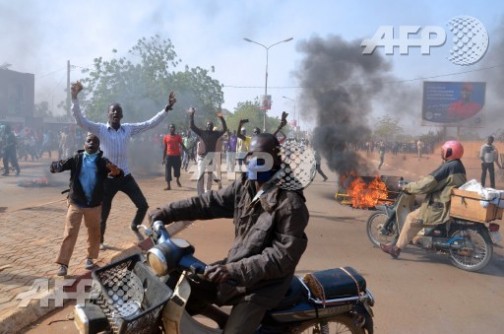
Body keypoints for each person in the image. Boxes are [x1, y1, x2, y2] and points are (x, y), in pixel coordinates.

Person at [148, 133, 309, 334]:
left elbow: (281, 258)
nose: (253, 161)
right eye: (250, 155)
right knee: (184, 288)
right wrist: (167, 212)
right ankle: (221, 318)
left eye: (261, 157)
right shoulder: (245, 186)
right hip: (233, 270)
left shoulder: (290, 203)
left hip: (262, 287)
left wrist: (233, 270)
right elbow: (208, 203)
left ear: (276, 159)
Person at [70, 81, 176, 248]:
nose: (115, 114)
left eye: (118, 112)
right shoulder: (100, 129)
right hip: (107, 179)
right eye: (112, 112)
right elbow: (81, 121)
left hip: (125, 176)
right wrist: (74, 99)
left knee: (142, 205)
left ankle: (134, 225)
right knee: (103, 214)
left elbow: (149, 123)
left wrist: (166, 109)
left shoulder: (128, 129)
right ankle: (101, 241)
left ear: (122, 115)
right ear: (108, 114)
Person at [380, 140, 467, 258]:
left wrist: (409, 187)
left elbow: (428, 184)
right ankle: (420, 238)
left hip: (439, 205)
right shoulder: (458, 165)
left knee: (411, 218)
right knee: (420, 206)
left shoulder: (449, 167)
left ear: (449, 152)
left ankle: (396, 248)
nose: (442, 153)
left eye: (444, 151)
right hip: (447, 201)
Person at [51, 133, 123, 276]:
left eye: (95, 142)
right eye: (89, 141)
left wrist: (116, 171)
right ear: (84, 144)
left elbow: (118, 174)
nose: (91, 143)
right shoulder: (76, 159)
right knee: (70, 233)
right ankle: (63, 264)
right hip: (76, 203)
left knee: (93, 233)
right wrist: (55, 166)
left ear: (98, 146)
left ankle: (90, 258)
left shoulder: (103, 162)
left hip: (94, 205)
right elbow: (58, 166)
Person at [188, 107, 227, 195]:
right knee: (200, 176)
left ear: (212, 127)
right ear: (206, 126)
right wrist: (192, 115)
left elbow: (224, 129)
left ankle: (207, 191)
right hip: (202, 157)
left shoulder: (216, 134)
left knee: (209, 176)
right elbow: (192, 126)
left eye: (211, 125)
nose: (209, 126)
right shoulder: (202, 132)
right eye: (208, 125)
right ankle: (200, 193)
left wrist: (221, 118)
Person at [162, 123, 186, 190]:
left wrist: (186, 150)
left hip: (176, 156)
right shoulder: (166, 137)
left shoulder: (178, 137)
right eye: (170, 127)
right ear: (169, 129)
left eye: (173, 127)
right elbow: (165, 148)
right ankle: (168, 186)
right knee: (167, 170)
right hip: (169, 156)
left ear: (175, 129)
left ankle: (177, 180)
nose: (172, 128)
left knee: (177, 170)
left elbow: (182, 144)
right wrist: (163, 158)